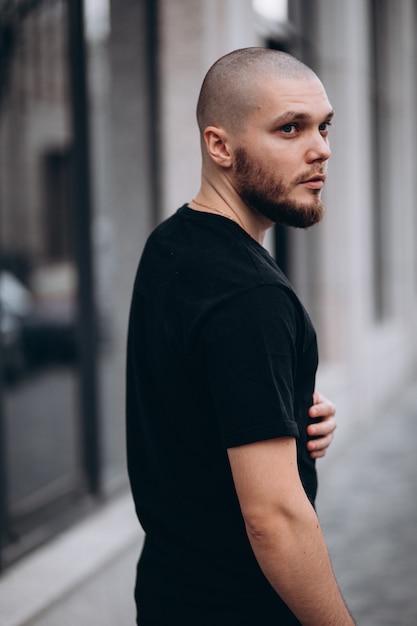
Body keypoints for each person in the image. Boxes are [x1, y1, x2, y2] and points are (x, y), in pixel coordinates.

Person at [126, 47, 354, 625]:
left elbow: (187, 396)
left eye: (323, 126)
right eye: (290, 128)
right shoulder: (249, 296)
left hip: (169, 595)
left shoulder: (173, 244)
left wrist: (278, 404)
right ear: (220, 146)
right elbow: (274, 518)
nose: (321, 149)